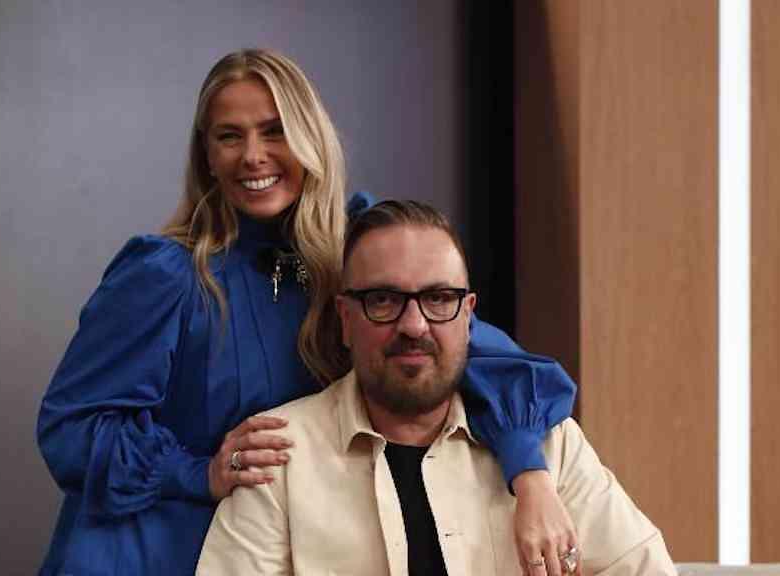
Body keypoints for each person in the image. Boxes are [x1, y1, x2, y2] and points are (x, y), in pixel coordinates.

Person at [37, 49, 577, 576]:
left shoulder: (356, 259)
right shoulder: (165, 274)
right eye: (230, 136)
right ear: (207, 156)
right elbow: (71, 428)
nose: (253, 155)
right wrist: (197, 472)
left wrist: (530, 477)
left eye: (274, 131)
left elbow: (474, 354)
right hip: (149, 554)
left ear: (310, 138)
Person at [197, 200, 677, 576]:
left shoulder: (552, 446)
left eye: (439, 298)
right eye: (383, 300)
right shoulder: (277, 453)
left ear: (468, 315)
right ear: (345, 318)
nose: (414, 325)